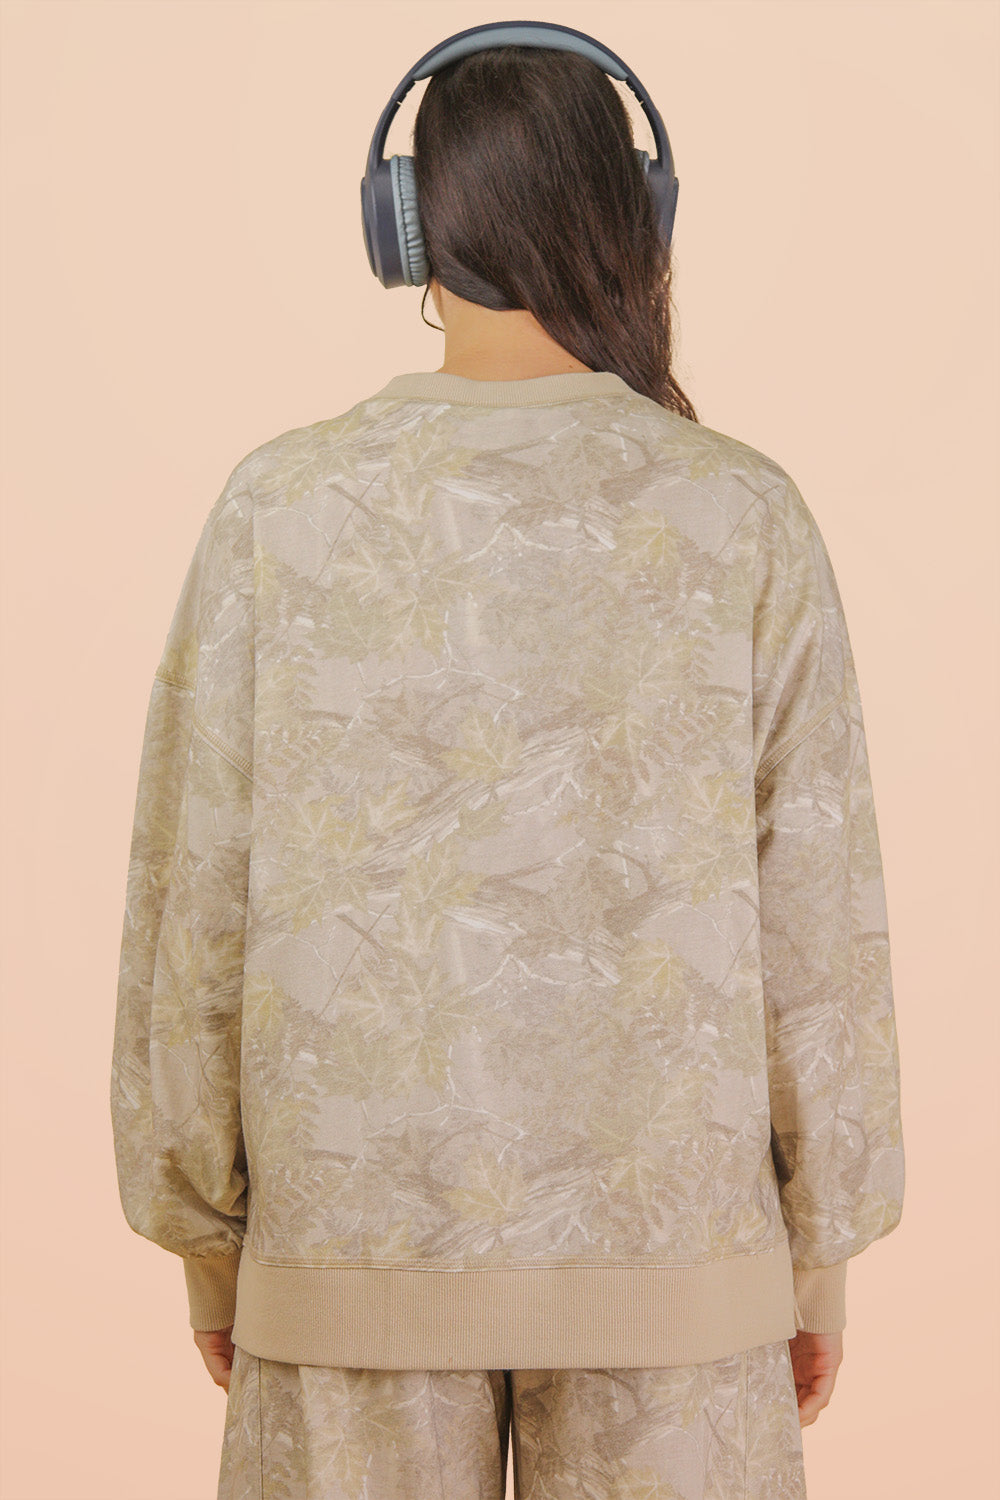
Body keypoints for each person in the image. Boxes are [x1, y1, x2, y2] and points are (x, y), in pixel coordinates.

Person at [110, 31, 904, 1500]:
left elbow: (194, 889)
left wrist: (206, 1237)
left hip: (344, 1262)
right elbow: (817, 911)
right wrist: (819, 1254)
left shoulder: (281, 506)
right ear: (642, 215)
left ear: (404, 224)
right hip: (681, 1280)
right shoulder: (741, 512)